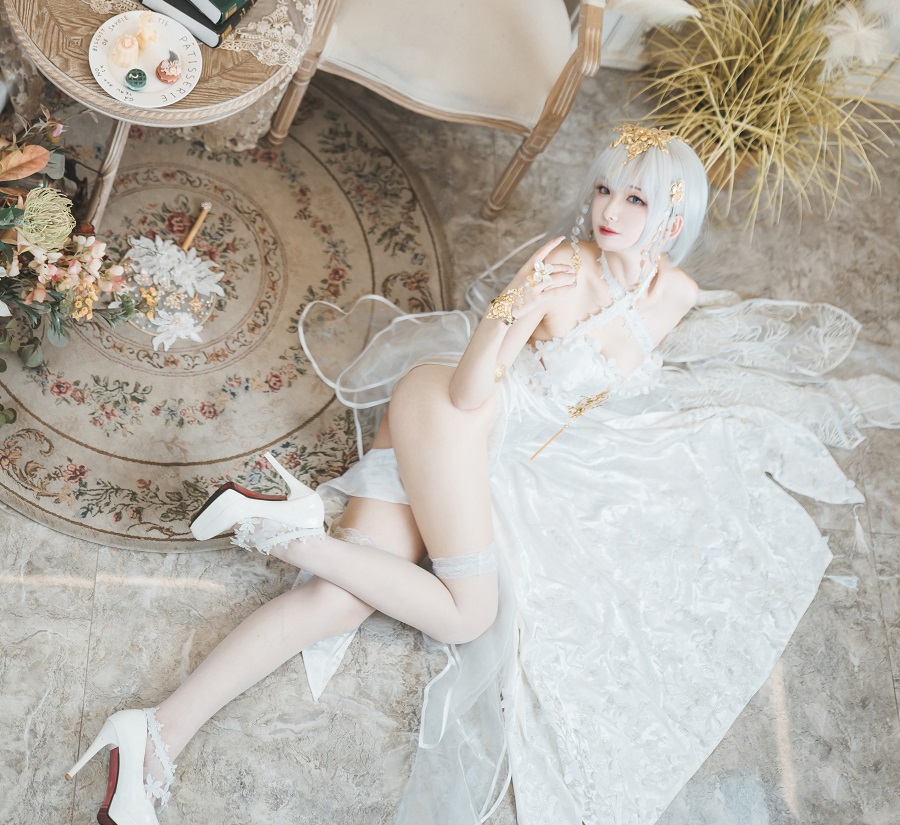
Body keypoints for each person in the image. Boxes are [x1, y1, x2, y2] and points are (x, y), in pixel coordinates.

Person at [66, 123, 882, 825]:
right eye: (605, 188)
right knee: (467, 614)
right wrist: (511, 306)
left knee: (341, 598)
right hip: (457, 415)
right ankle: (277, 529)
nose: (608, 209)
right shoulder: (562, 268)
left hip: (486, 453)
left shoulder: (678, 293)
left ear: (673, 218)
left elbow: (613, 387)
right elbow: (466, 389)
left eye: (634, 199)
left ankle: (154, 730)